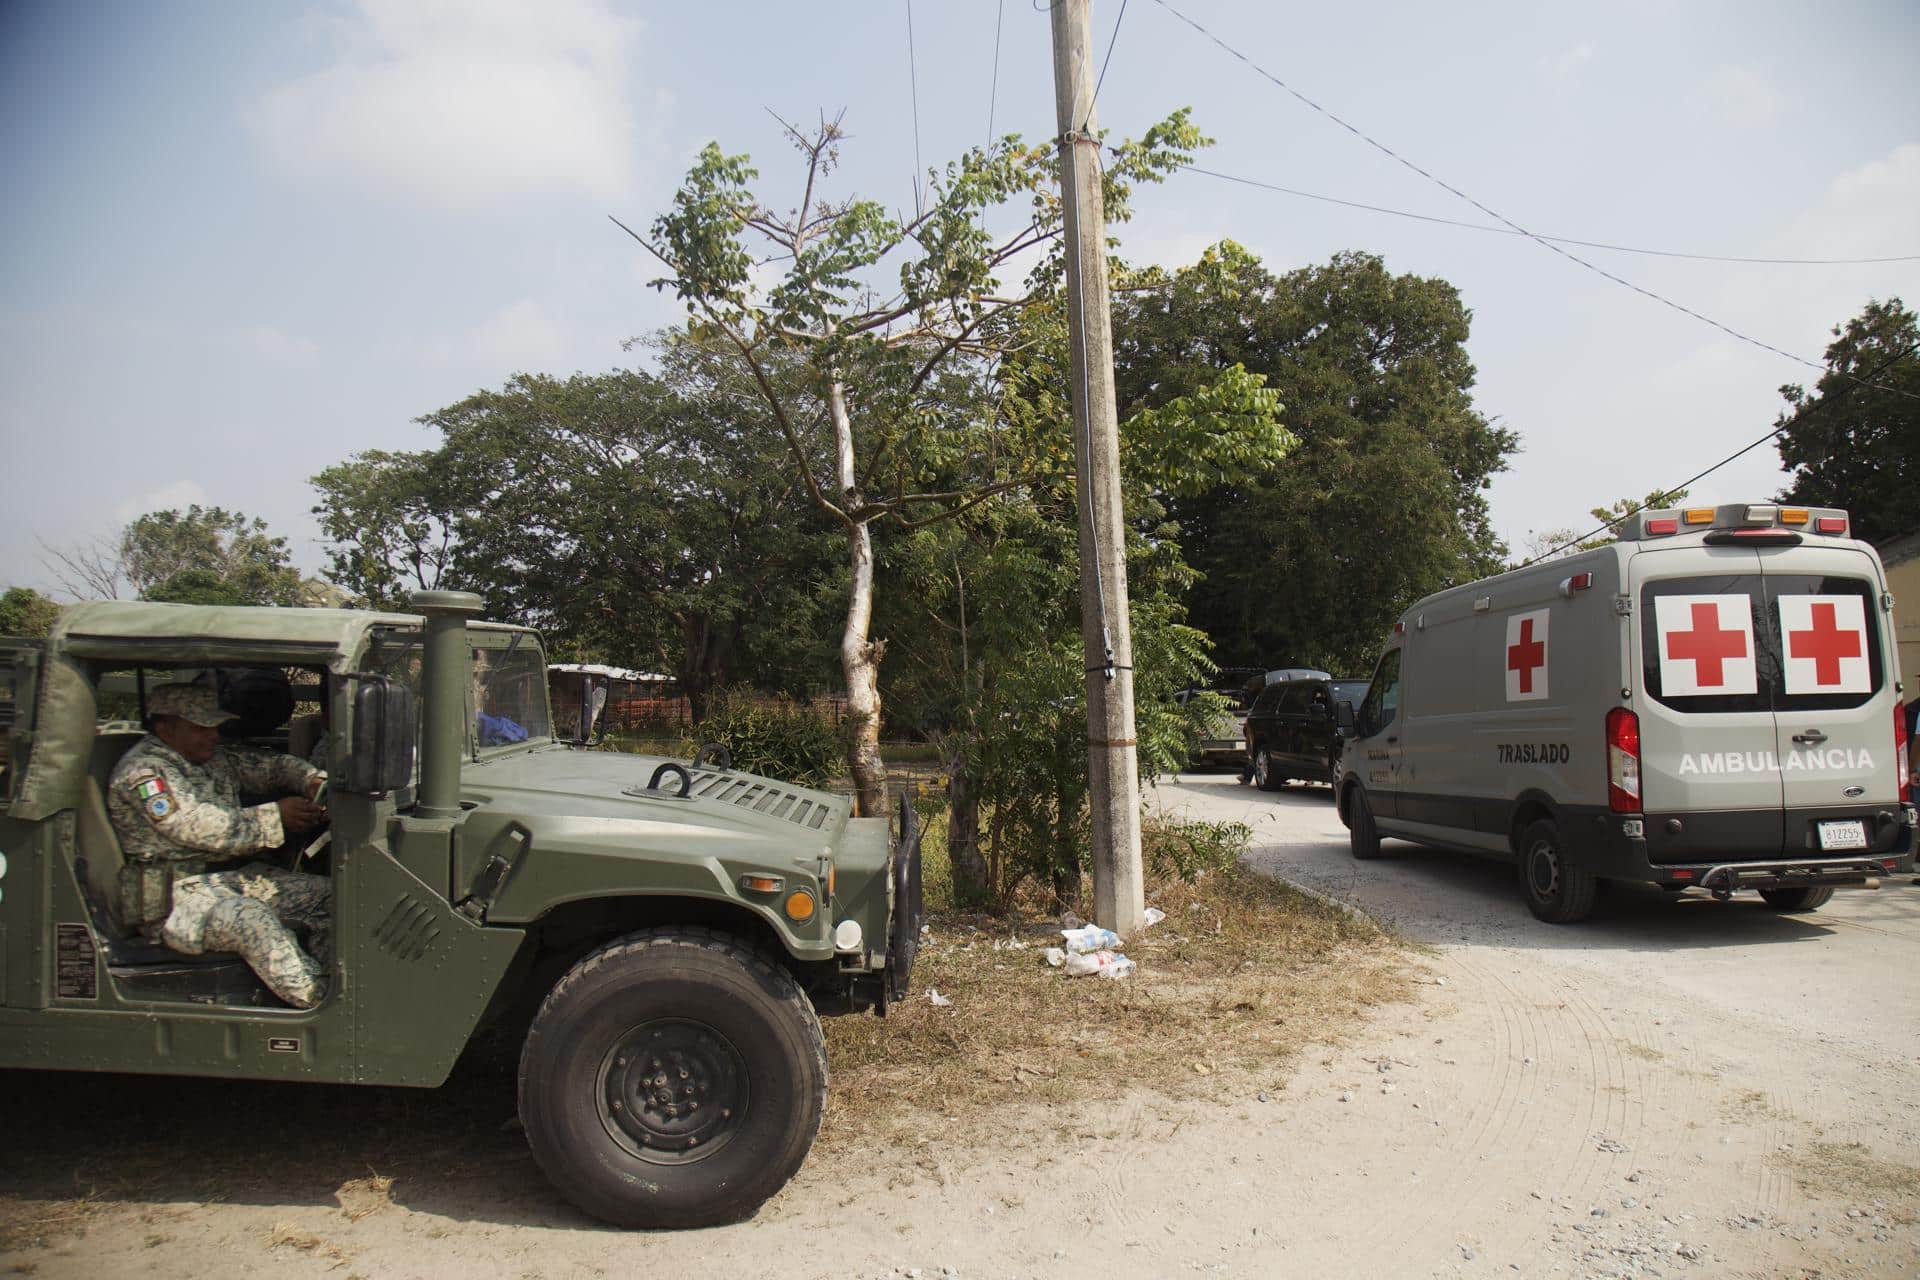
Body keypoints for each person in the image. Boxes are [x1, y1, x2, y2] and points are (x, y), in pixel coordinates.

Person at [108, 683, 332, 1008]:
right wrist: (275, 818)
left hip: (228, 882)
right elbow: (192, 825)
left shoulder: (211, 758)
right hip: (175, 900)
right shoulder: (143, 774)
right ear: (164, 727)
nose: (212, 735)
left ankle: (337, 985)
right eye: (200, 727)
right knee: (250, 918)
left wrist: (311, 779)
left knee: (330, 898)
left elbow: (270, 766)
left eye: (214, 726)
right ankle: (319, 1003)